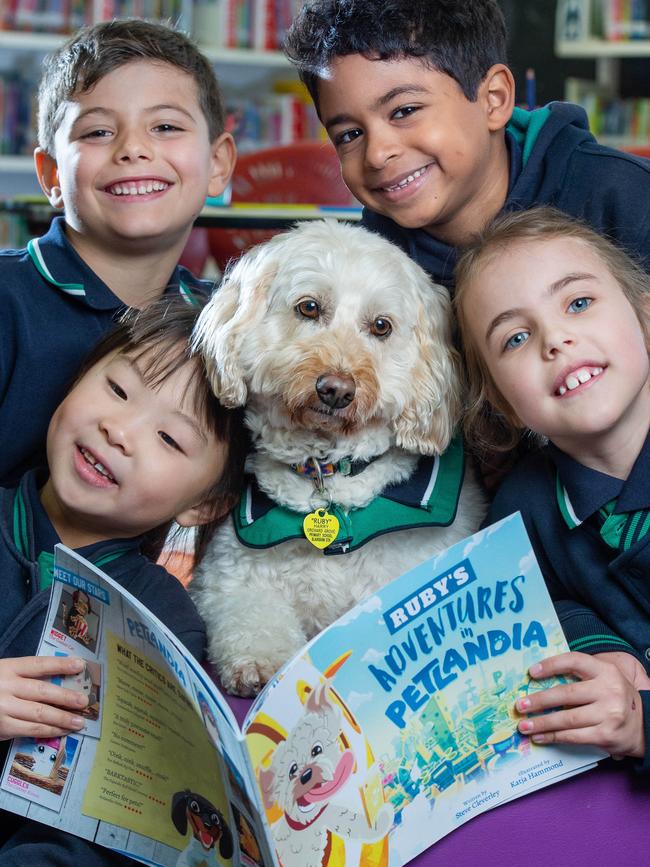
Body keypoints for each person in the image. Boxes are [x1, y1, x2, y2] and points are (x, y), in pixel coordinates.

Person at [0, 296, 247, 864]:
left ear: (205, 506)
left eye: (170, 439)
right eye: (117, 390)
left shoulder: (165, 623)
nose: (119, 430)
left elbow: (99, 831)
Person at [453, 206, 650, 771]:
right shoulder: (522, 509)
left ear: (641, 311)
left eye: (579, 303)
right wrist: (592, 643)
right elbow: (528, 605)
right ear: (496, 397)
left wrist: (642, 723)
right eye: (515, 337)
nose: (555, 339)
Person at [0, 18, 236, 486]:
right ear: (50, 177)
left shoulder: (227, 324)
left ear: (218, 164)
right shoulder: (8, 301)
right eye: (97, 133)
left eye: (165, 126)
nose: (133, 149)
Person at [284, 0, 650, 290]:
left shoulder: (626, 198)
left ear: (493, 99)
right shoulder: (369, 264)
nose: (378, 154)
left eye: (404, 111)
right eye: (349, 134)